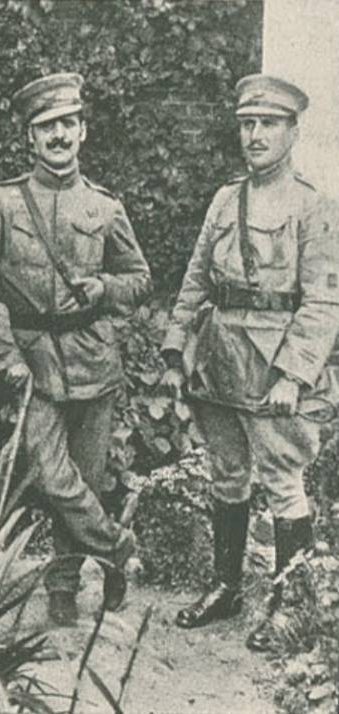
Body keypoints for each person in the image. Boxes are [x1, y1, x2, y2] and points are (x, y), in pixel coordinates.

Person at [0, 73, 151, 626]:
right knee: (49, 473)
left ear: (83, 131)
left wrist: (106, 289)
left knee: (84, 480)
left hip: (94, 358)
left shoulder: (104, 206)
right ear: (30, 138)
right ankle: (117, 549)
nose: (59, 135)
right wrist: (4, 354)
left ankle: (65, 590)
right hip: (31, 360)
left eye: (68, 123)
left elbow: (139, 278)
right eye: (47, 127)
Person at [160, 74, 339, 651]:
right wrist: (174, 352)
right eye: (247, 123)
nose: (255, 135)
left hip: (273, 368)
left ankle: (292, 605)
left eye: (267, 124)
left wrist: (294, 373)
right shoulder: (224, 199)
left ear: (292, 130)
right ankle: (226, 585)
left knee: (284, 483)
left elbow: (324, 298)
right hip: (220, 363)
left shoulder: (313, 207)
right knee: (227, 476)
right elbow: (194, 281)